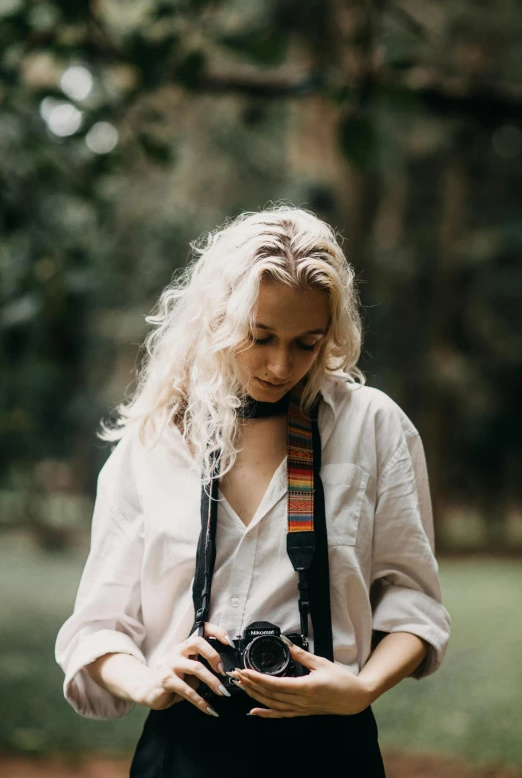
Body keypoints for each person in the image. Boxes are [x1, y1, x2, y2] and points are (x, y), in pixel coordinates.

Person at [55, 204, 451, 777]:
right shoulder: (154, 441)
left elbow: (415, 604)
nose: (279, 365)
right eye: (259, 336)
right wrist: (149, 680)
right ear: (218, 319)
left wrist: (361, 687)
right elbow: (98, 627)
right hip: (185, 745)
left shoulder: (372, 427)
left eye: (306, 342)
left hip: (330, 747)